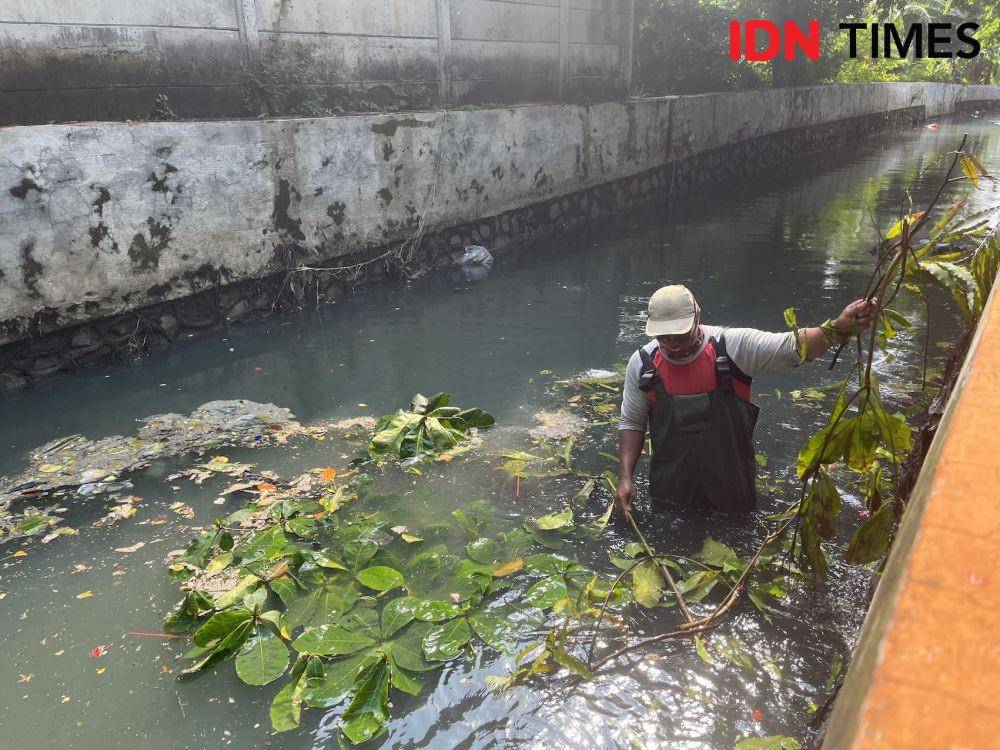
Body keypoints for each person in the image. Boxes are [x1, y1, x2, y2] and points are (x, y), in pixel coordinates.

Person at [615, 284, 876, 518]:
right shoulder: (643, 365)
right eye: (664, 337)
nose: (672, 345)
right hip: (671, 486)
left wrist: (837, 327)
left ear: (697, 317)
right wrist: (626, 478)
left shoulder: (731, 347)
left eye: (680, 335)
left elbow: (790, 347)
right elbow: (632, 422)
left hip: (731, 487)